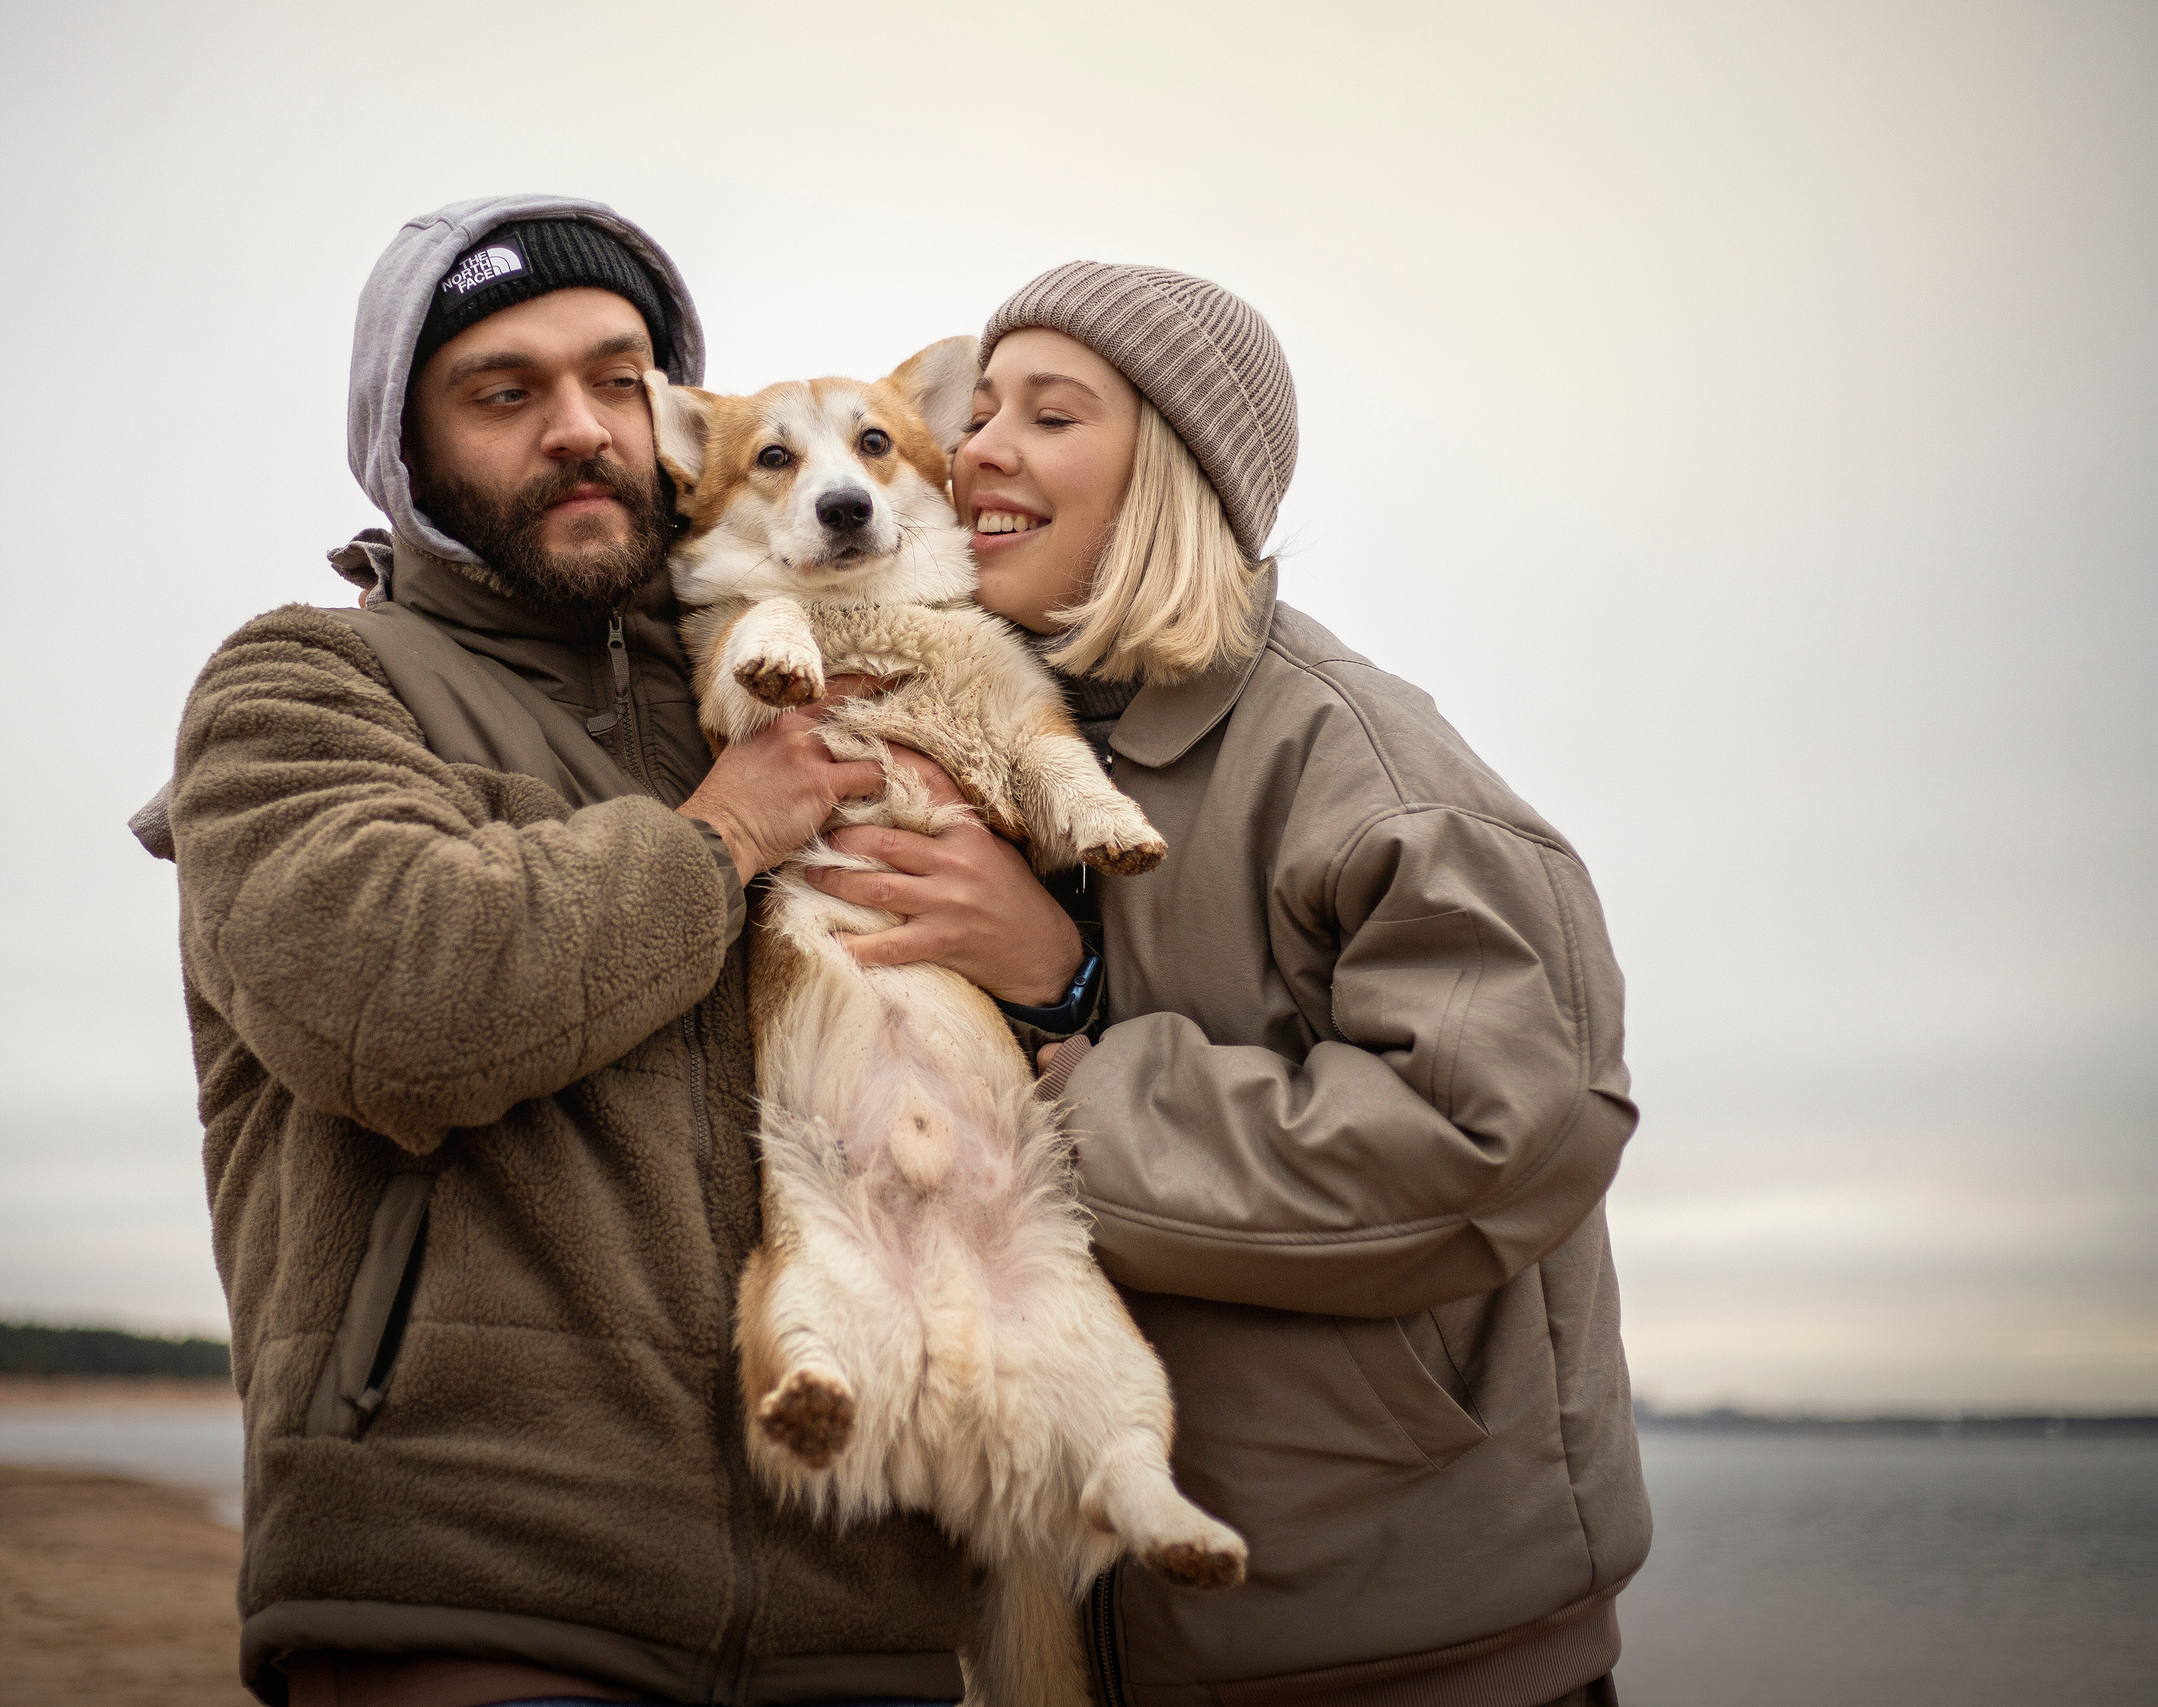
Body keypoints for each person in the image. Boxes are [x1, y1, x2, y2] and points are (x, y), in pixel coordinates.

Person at [152, 195, 977, 1707]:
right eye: (504, 392)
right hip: (486, 1594)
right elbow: (395, 1008)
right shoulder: (305, 686)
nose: (582, 428)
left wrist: (1054, 964)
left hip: (875, 1601)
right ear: (407, 449)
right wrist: (721, 837)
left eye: (620, 379)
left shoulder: (800, 680)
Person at [801, 263, 1649, 1707]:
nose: (978, 445)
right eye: (983, 407)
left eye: (1050, 414)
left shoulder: (1363, 770)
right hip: (1092, 1632)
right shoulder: (994, 736)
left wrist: (1068, 1004)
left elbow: (1505, 1139)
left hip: (1397, 1643)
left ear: (1177, 476)